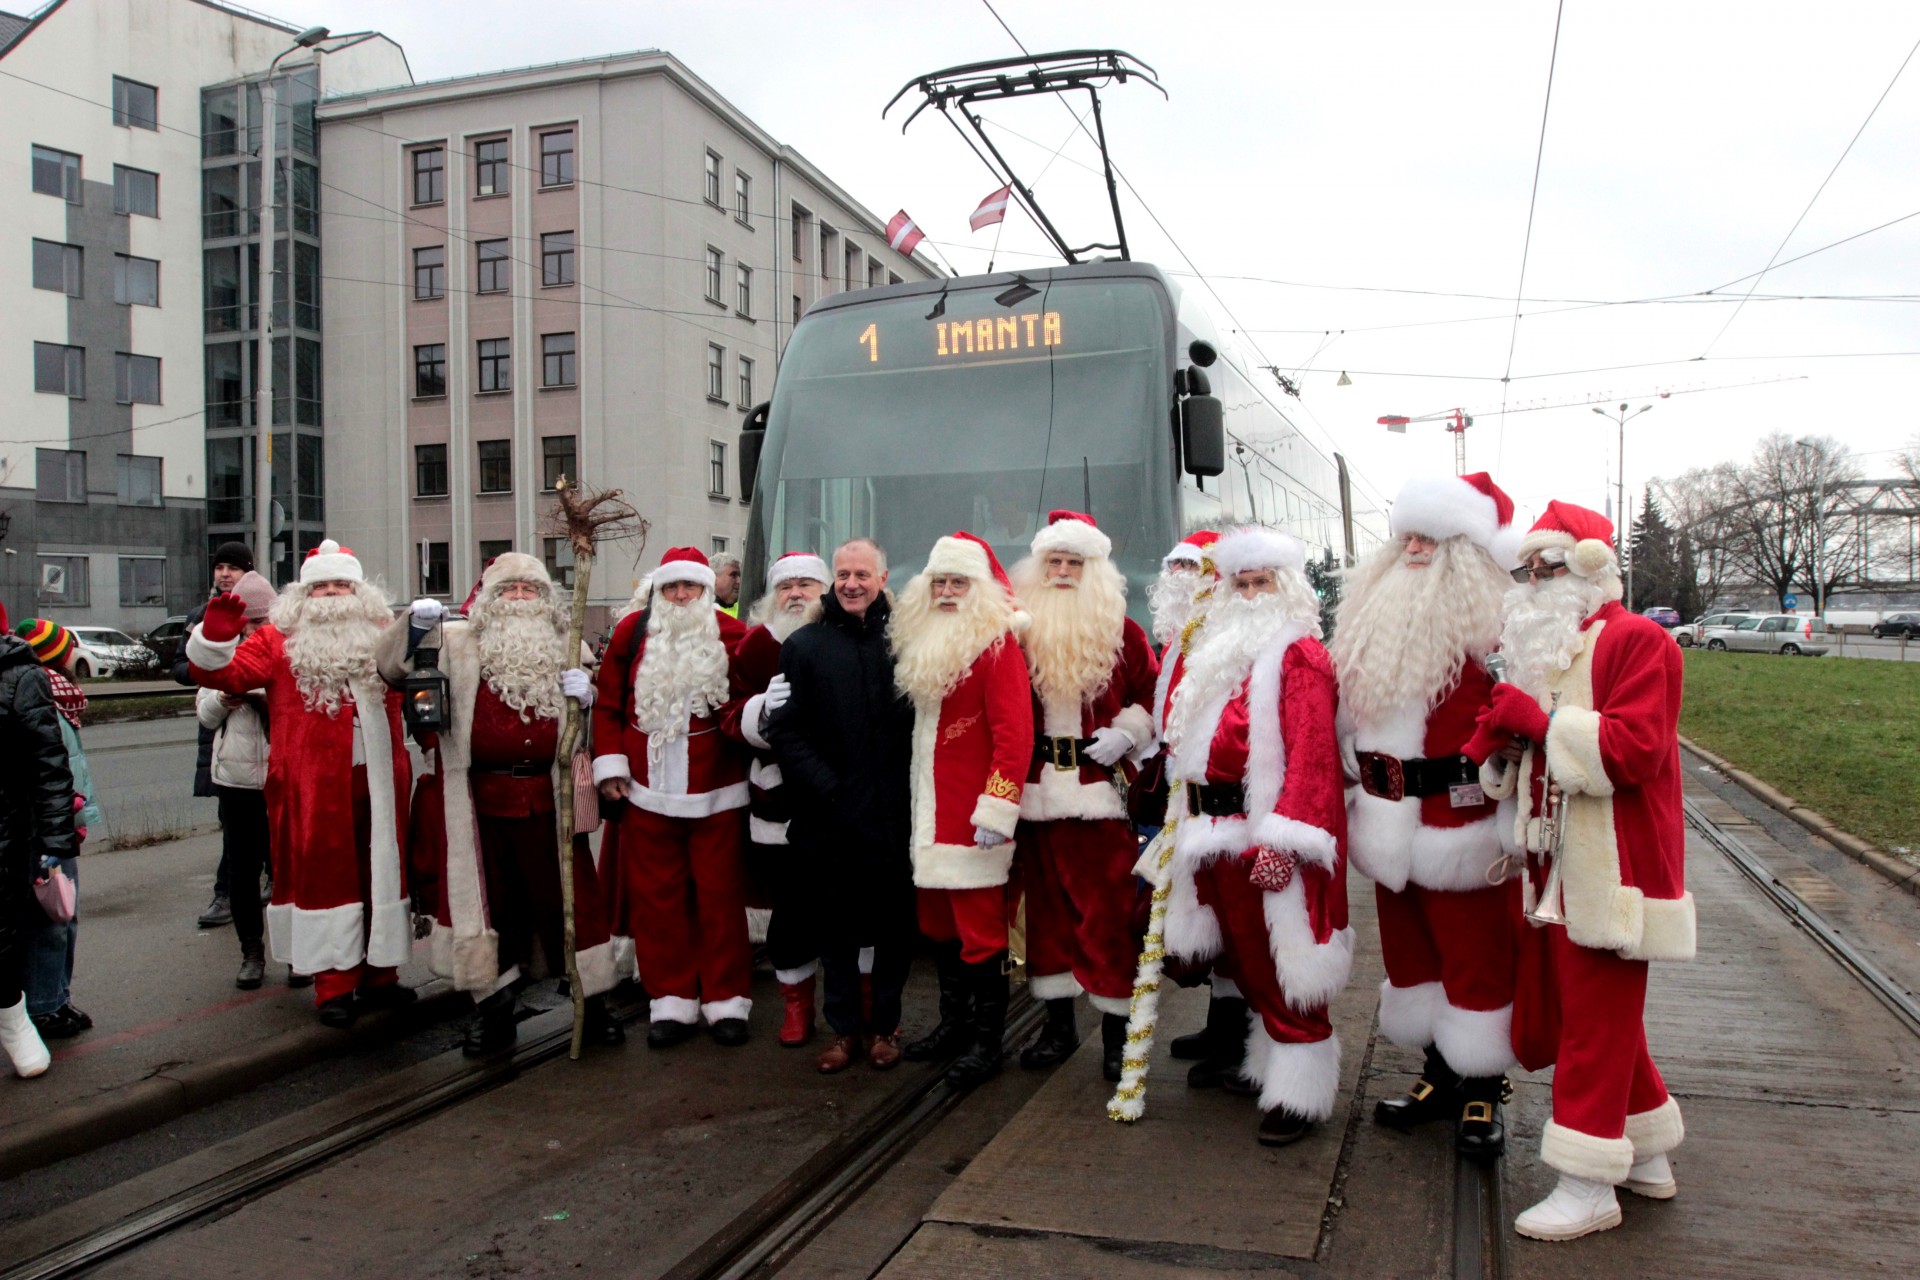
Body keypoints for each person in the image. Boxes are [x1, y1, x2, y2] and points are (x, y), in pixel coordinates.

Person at [1461, 501, 1692, 1242]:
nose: (1531, 582)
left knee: (1594, 1023)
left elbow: (1633, 752)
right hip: (1556, 864)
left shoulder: (1639, 640)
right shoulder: (1558, 648)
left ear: (1591, 569)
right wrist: (1503, 743)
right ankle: (1648, 1152)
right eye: (1525, 571)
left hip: (1611, 869)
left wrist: (1539, 722)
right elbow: (1540, 758)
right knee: (1595, 1015)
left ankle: (1588, 1183)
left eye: (1546, 567)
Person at [1331, 474, 1524, 1158]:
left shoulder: (1497, 627)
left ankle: (1483, 1090)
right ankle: (1440, 1074)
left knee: (1477, 963)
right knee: (1415, 959)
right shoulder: (1370, 623)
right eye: (1407, 537)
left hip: (1461, 825)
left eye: (1428, 539)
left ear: (1463, 553)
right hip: (1388, 824)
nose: (1412, 549)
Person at [382, 553, 623, 1054]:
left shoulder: (566, 643)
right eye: (508, 590)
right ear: (489, 599)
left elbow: (595, 726)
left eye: (528, 591)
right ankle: (494, 1012)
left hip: (551, 802)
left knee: (570, 904)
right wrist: (413, 624)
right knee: (488, 910)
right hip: (479, 804)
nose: (518, 599)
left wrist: (591, 696)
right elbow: (391, 669)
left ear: (544, 599)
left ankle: (591, 1004)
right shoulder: (455, 643)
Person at [1160, 527, 1351, 1147]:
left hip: (1262, 837)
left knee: (1282, 966)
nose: (1248, 593)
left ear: (1285, 587)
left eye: (1259, 582)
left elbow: (1314, 758)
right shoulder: (1219, 655)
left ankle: (1300, 1090)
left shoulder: (1299, 656)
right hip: (1212, 832)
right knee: (1244, 962)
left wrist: (1285, 842)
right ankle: (1269, 1063)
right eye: (1238, 583)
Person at [187, 539, 415, 1028]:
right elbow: (222, 675)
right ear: (303, 595)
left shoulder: (383, 634)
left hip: (379, 780)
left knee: (382, 874)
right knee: (326, 878)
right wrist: (215, 637)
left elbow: (421, 687)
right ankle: (334, 985)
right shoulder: (275, 641)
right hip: (313, 787)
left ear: (358, 591)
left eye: (341, 584)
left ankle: (381, 975)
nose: (332, 594)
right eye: (321, 586)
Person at [1007, 512, 1158, 1081]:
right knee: (1044, 917)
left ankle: (1117, 1035)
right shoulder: (1019, 631)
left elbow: (1150, 691)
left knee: (1109, 916)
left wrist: (1127, 730)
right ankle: (1058, 1027)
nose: (1064, 572)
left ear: (1093, 570)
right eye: (1055, 563)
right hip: (1036, 792)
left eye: (1074, 563)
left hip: (1098, 797)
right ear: (1039, 569)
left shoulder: (1121, 630)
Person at [592, 547, 753, 1048]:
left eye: (691, 588)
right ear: (658, 592)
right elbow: (609, 704)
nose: (681, 596)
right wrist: (610, 764)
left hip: (717, 793)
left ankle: (725, 998)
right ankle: (671, 1000)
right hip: (646, 789)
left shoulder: (733, 635)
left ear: (707, 592)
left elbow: (755, 696)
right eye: (672, 588)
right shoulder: (632, 633)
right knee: (656, 899)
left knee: (721, 898)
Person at [890, 532, 1033, 1088]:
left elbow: (1014, 735)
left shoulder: (996, 646)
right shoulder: (926, 643)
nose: (948, 592)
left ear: (979, 590)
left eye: (959, 583)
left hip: (973, 820)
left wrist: (996, 809)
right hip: (930, 815)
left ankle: (986, 1040)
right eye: (941, 582)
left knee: (981, 934)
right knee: (939, 927)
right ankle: (955, 1024)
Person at [767, 539, 915, 1072]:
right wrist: (828, 787)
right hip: (827, 816)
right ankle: (845, 1031)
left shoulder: (904, 642)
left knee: (893, 929)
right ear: (833, 579)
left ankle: (886, 1030)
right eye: (843, 574)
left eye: (863, 574)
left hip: (894, 814)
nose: (852, 583)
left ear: (882, 577)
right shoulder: (804, 645)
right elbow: (784, 729)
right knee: (836, 931)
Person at [724, 552, 833, 1047]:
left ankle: (866, 1010)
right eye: (786, 586)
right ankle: (796, 1006)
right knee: (790, 911)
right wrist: (759, 711)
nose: (796, 594)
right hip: (780, 801)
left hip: (842, 798)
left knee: (854, 904)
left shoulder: (845, 633)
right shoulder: (755, 645)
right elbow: (727, 713)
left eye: (807, 584)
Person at [14, 619, 102, 1040]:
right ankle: (46, 1005)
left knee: (59, 915)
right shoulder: (48, 700)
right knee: (53, 917)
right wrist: (68, 817)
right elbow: (54, 770)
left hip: (56, 825)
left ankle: (55, 997)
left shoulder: (58, 699)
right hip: (50, 830)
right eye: (69, 646)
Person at [194, 570, 280, 991]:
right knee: (242, 872)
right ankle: (251, 952)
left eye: (262, 621)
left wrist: (264, 697)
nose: (254, 629)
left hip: (281, 778)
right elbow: (205, 715)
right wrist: (223, 698)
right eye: (249, 622)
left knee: (285, 868)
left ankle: (296, 953)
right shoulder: (223, 654)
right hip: (236, 780)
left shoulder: (283, 650)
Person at [0, 600, 72, 1078]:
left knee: (3, 934)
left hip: (5, 831)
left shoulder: (20, 675)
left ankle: (12, 1016)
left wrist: (56, 838)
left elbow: (49, 762)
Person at [176, 540, 258, 930]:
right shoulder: (201, 615)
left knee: (268, 828)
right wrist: (212, 671)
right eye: (220, 567)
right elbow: (180, 665)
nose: (225, 574)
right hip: (222, 735)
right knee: (232, 821)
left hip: (264, 745)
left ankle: (264, 885)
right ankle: (225, 893)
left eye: (234, 568)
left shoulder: (266, 615)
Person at [711, 552, 744, 619]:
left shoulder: (747, 609)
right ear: (713, 578)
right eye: (733, 575)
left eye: (739, 576)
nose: (739, 581)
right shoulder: (703, 613)